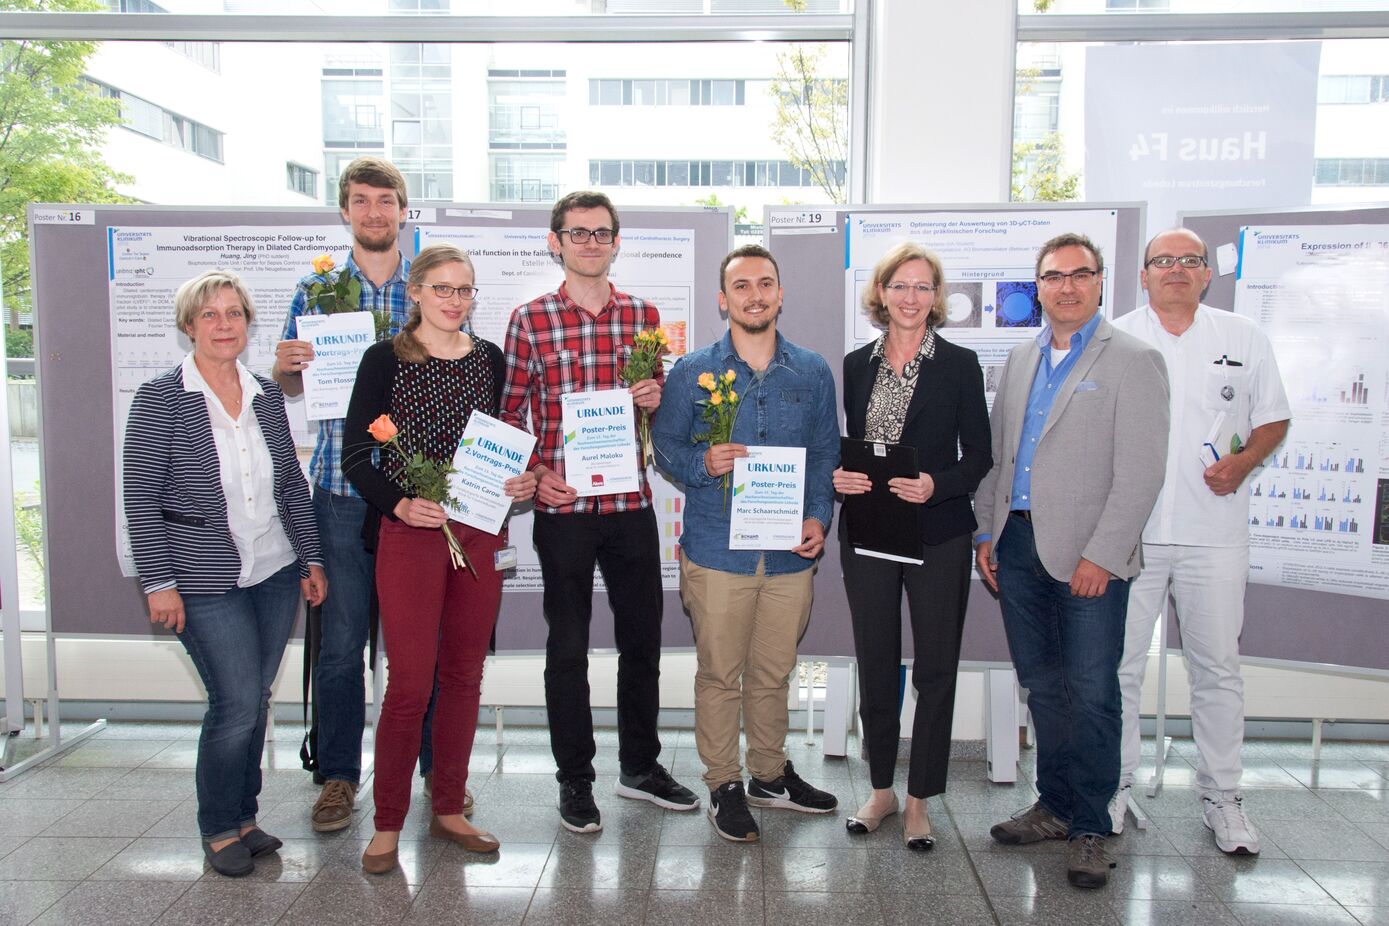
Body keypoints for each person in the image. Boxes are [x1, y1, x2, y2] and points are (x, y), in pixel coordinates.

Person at [272, 157, 463, 831]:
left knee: (425, 641)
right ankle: (336, 776)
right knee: (343, 642)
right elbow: (290, 387)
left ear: (403, 210)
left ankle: (439, 773)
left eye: (386, 200)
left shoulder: (430, 288)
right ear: (346, 211)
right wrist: (286, 369)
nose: (375, 211)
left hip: (418, 494)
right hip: (340, 487)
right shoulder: (315, 288)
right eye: (361, 201)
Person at [973, 232, 1169, 889]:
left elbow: (1141, 472)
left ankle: (1091, 825)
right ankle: (1054, 806)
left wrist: (1105, 555)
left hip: (1089, 556)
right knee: (1045, 686)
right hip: (1018, 546)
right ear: (1038, 287)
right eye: (1052, 276)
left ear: (1099, 282)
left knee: (1091, 691)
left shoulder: (1133, 360)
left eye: (1078, 275)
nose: (1065, 286)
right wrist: (987, 535)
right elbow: (1002, 457)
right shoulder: (1024, 357)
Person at [500, 191, 698, 833]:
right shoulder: (529, 320)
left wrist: (655, 395)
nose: (590, 242)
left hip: (630, 505)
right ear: (555, 241)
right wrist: (534, 474)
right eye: (577, 233)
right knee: (569, 648)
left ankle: (639, 767)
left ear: (617, 242)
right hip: (564, 510)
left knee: (642, 642)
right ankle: (575, 779)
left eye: (601, 233)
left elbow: (659, 416)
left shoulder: (644, 315)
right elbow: (509, 417)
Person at [123, 270, 327, 878]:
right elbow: (141, 496)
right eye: (209, 315)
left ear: (247, 324)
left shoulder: (265, 393)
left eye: (233, 314)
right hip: (200, 579)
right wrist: (158, 583)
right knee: (235, 701)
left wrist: (310, 556)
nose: (223, 325)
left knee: (255, 700)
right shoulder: (161, 397)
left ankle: (244, 816)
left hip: (271, 569)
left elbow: (290, 482)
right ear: (189, 327)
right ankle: (217, 827)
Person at [342, 243, 535, 873]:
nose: (455, 301)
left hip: (478, 533)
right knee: (410, 683)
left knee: (463, 677)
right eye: (444, 289)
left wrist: (521, 478)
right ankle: (388, 822)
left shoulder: (490, 360)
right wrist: (398, 505)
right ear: (417, 292)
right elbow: (354, 457)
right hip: (412, 534)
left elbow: (500, 445)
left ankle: (449, 805)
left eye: (465, 290)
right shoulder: (383, 360)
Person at [1110, 228, 1290, 854]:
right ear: (1144, 274)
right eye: (1164, 261)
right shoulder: (1117, 336)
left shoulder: (1243, 337)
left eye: (1190, 261)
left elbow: (1273, 417)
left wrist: (1244, 464)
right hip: (1130, 534)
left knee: (1217, 668)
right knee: (1119, 668)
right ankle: (1116, 787)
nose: (1177, 270)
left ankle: (1223, 797)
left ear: (1208, 274)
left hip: (1215, 534)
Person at [652, 244, 840, 843]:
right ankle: (723, 783)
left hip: (788, 554)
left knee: (774, 672)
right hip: (717, 551)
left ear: (780, 294)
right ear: (723, 298)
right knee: (719, 674)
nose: (754, 295)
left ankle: (768, 775)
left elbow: (823, 456)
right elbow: (665, 449)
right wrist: (703, 461)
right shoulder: (691, 372)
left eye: (765, 284)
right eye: (742, 286)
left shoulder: (811, 371)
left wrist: (818, 518)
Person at [833, 242, 992, 850]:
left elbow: (979, 454)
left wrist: (936, 484)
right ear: (881, 294)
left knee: (934, 668)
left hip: (938, 533)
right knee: (876, 663)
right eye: (899, 285)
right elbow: (854, 450)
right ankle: (880, 790)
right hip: (869, 533)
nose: (910, 296)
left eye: (923, 287)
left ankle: (922, 797)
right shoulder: (855, 364)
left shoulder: (959, 364)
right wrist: (839, 480)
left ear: (937, 298)